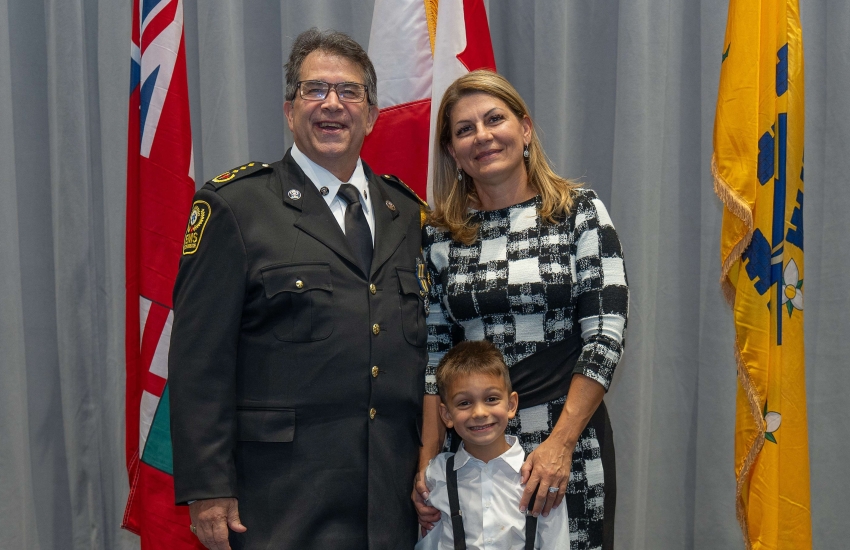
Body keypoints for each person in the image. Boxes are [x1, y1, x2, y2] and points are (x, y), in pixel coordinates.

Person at [168, 28, 428, 550]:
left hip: (390, 497)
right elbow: (199, 361)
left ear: (372, 115)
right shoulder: (237, 208)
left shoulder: (410, 214)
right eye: (315, 90)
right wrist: (208, 487)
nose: (332, 104)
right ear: (290, 110)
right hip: (278, 498)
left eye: (349, 91)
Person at [413, 70, 628, 550]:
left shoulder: (579, 212)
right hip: (471, 448)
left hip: (566, 441)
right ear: (452, 151)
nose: (482, 136)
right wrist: (428, 464)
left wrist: (560, 444)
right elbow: (435, 357)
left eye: (495, 119)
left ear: (525, 129)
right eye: (464, 129)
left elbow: (605, 336)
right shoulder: (440, 234)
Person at [415, 340, 571, 550]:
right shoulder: (436, 475)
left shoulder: (540, 479)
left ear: (511, 404)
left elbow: (557, 545)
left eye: (491, 398)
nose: (479, 413)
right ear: (446, 415)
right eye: (464, 403)